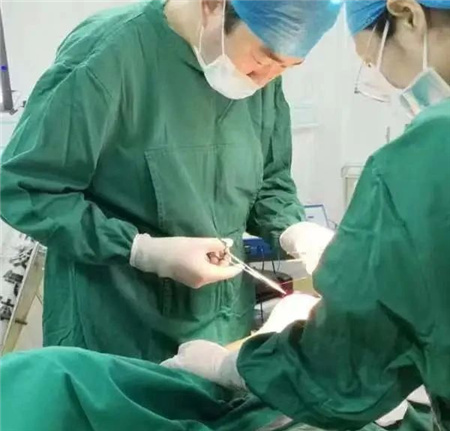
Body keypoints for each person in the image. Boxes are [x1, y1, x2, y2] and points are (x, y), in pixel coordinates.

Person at [161, 0, 450, 430]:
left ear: (408, 14)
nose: (383, 81)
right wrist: (143, 250)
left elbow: (340, 371)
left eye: (372, 61)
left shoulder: (430, 152)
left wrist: (231, 367)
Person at [0, 0, 339, 362]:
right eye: (262, 59)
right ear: (214, 5)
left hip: (221, 328)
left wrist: (294, 230)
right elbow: (26, 187)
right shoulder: (110, 54)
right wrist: (141, 250)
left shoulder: (263, 72)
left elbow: (268, 179)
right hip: (115, 334)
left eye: (286, 67)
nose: (264, 80)